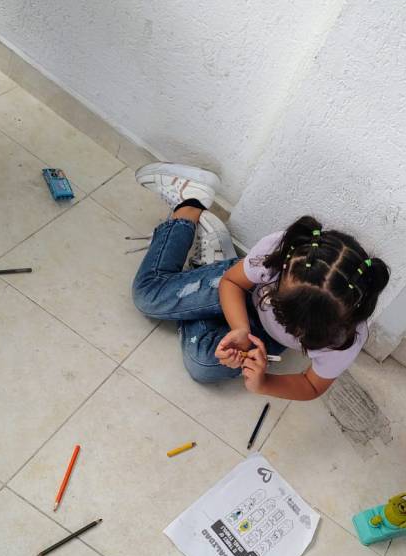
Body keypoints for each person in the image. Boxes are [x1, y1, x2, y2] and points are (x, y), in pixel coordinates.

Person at [131, 164, 390, 401]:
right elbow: (232, 283)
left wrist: (263, 383)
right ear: (283, 268)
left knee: (202, 365)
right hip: (242, 289)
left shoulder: (346, 337)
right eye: (279, 308)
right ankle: (190, 204)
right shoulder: (279, 251)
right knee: (147, 296)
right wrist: (240, 328)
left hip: (263, 337)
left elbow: (311, 386)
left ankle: (211, 258)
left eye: (301, 331)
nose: (288, 327)